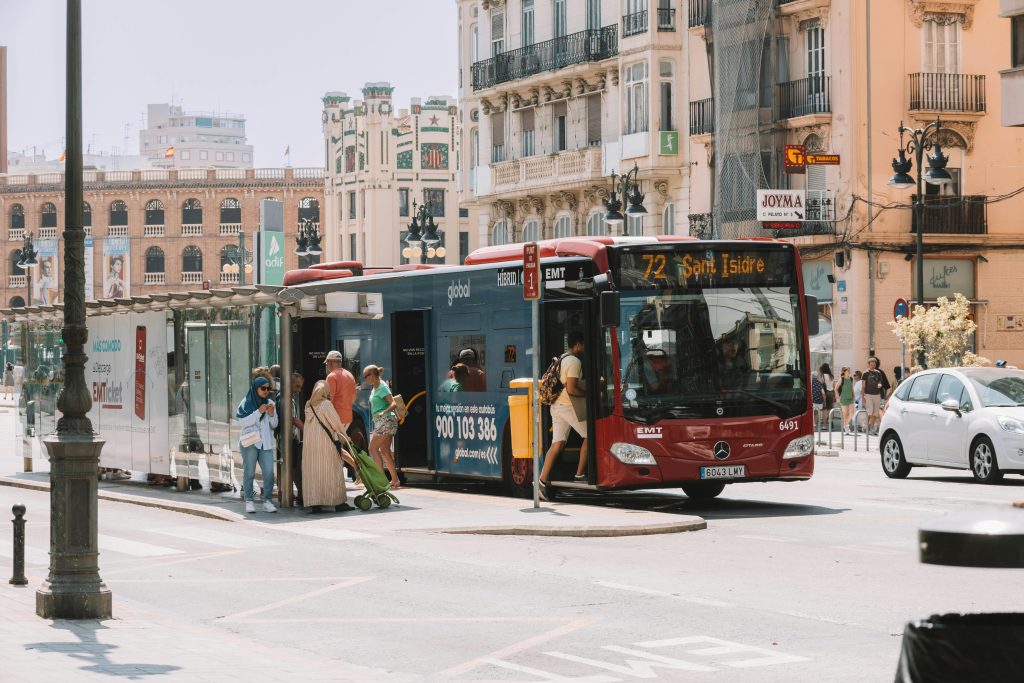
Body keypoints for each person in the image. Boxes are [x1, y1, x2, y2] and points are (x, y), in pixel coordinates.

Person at [539, 331, 588, 499]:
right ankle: (580, 475)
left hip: (556, 406)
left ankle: (541, 482)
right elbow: (571, 389)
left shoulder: (562, 357)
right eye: (584, 345)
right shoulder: (574, 361)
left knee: (557, 443)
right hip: (568, 406)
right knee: (591, 436)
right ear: (578, 344)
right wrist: (589, 395)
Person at [303, 380, 356, 513]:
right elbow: (336, 424)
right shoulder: (326, 405)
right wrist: (346, 438)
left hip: (311, 447)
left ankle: (315, 504)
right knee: (332, 471)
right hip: (326, 444)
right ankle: (338, 503)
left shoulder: (308, 406)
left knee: (314, 473)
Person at [237, 376, 278, 514]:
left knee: (269, 473)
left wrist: (272, 414)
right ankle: (249, 500)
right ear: (256, 389)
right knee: (249, 472)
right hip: (250, 443)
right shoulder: (246, 402)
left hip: (265, 443)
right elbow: (243, 422)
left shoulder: (270, 403)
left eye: (268, 389)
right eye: (263, 388)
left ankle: (267, 501)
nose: (266, 391)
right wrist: (258, 412)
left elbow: (274, 425)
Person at [364, 364, 401, 488]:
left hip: (386, 421)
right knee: (384, 451)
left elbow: (394, 404)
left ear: (373, 375)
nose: (365, 379)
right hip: (384, 422)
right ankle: (395, 480)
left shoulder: (383, 387)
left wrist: (383, 412)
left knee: (372, 449)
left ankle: (381, 481)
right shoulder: (375, 387)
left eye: (366, 376)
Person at [324, 350, 356, 432]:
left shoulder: (331, 376)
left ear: (330, 362)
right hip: (347, 417)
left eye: (327, 363)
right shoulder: (350, 375)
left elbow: (328, 401)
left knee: (333, 443)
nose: (327, 366)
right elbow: (353, 399)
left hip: (336, 418)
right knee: (341, 441)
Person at [862, 357, 891, 436]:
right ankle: (870, 427)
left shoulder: (879, 372)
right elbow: (863, 386)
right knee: (870, 412)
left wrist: (880, 385)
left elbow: (882, 383)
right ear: (869, 364)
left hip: (877, 395)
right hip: (868, 394)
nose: (873, 366)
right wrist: (863, 397)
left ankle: (869, 427)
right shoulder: (865, 373)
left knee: (875, 413)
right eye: (871, 364)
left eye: (874, 364)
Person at [289, 372, 305, 506]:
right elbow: (294, 420)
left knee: (293, 466)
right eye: (297, 386)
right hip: (289, 438)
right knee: (293, 467)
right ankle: (299, 493)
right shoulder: (288, 399)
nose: (299, 390)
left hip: (290, 437)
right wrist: (307, 431)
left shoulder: (289, 398)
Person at [836, 367, 856, 434]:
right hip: (843, 399)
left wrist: (854, 395)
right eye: (848, 370)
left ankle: (845, 425)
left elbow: (852, 388)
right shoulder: (841, 379)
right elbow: (836, 389)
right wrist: (838, 397)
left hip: (850, 399)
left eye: (849, 370)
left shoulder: (851, 379)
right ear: (844, 371)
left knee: (852, 413)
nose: (849, 371)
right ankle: (846, 428)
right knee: (845, 415)